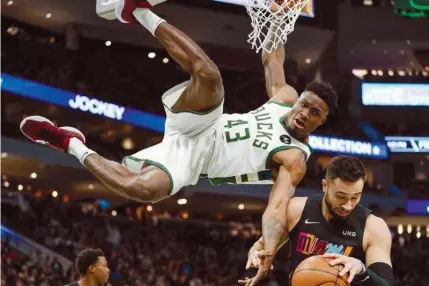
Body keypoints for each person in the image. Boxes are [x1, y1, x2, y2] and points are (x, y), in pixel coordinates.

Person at [20, 0, 337, 277]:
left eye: (315, 113)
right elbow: (273, 59)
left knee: (142, 189)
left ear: (321, 121)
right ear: (298, 99)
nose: (305, 113)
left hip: (193, 161)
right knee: (211, 77)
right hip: (204, 123)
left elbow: (277, 205)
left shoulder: (295, 157)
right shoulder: (284, 96)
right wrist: (278, 16)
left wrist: (268, 246)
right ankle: (138, 10)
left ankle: (69, 142)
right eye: (305, 104)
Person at [240, 156, 394, 286]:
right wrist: (255, 255)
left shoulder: (373, 227)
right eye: (340, 196)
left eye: (355, 197)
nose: (348, 205)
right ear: (324, 186)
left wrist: (362, 270)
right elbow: (261, 246)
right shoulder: (296, 210)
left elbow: (386, 283)